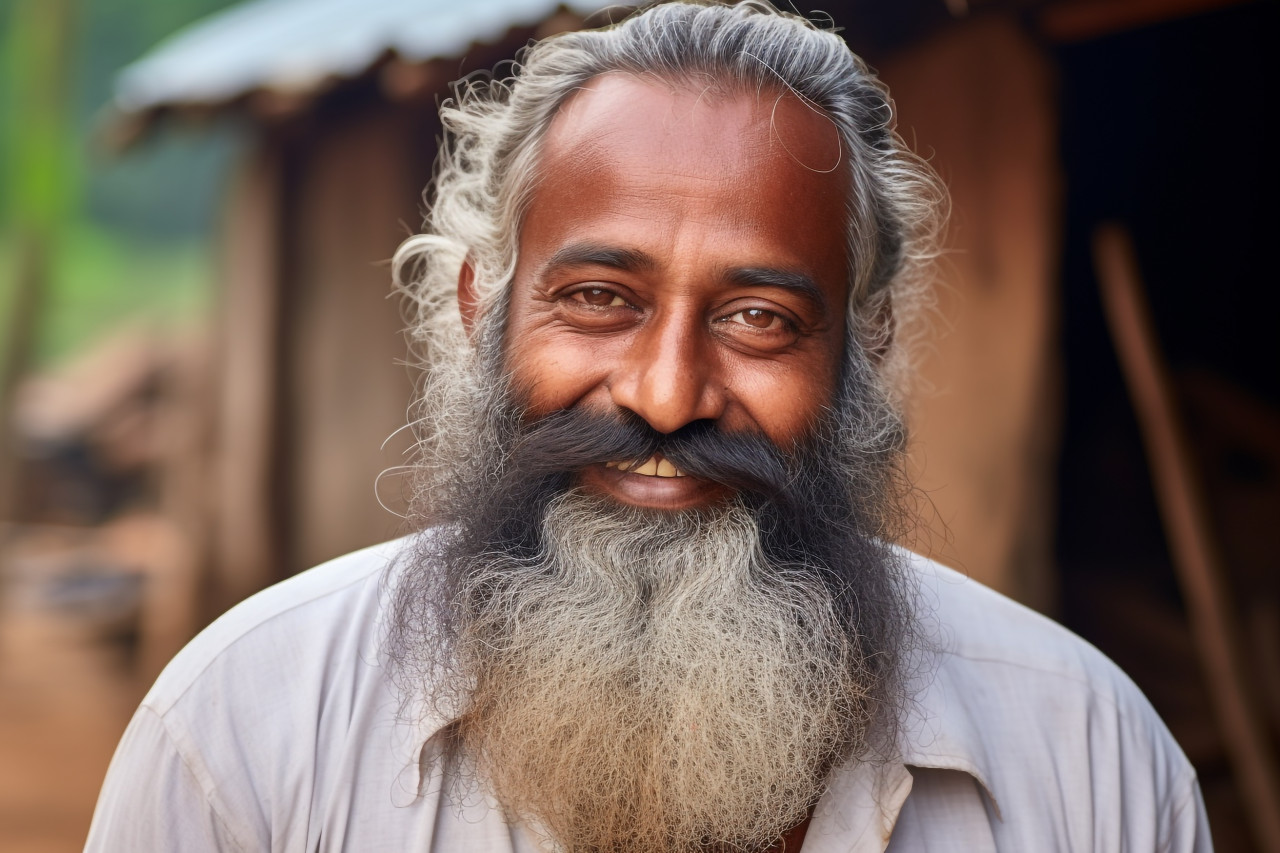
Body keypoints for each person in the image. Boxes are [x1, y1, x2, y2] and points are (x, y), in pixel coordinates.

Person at [85, 2, 1211, 851]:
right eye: (597, 299)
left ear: (863, 347)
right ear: (482, 308)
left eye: (757, 318)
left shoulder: (1087, 760)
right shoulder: (241, 730)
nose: (667, 395)